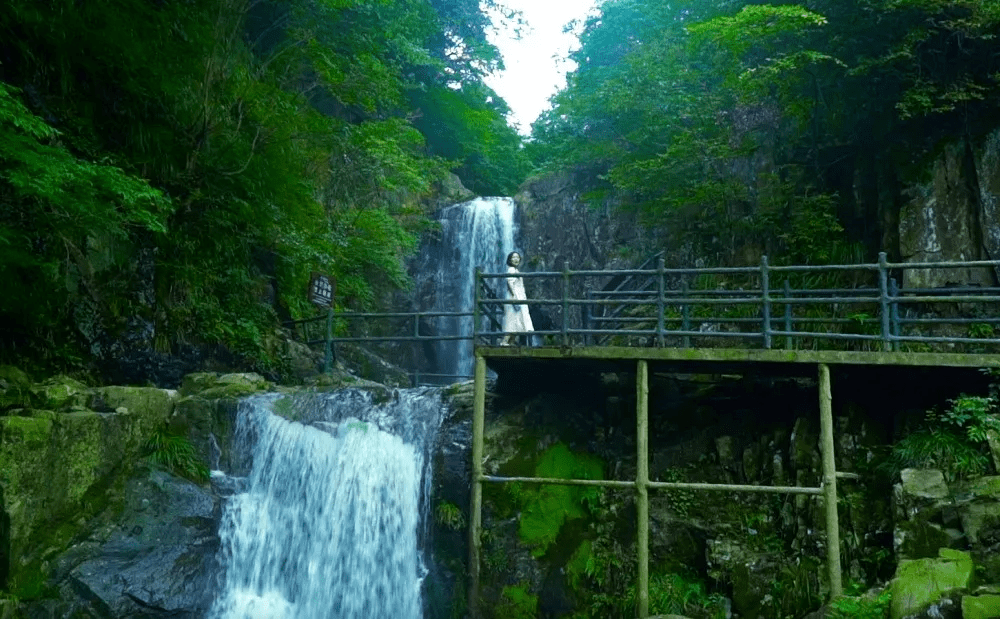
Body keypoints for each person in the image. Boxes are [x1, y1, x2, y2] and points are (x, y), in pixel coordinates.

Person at [501, 251, 534, 346]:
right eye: (513, 257)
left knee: (516, 320)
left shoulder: (514, 270)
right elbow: (510, 283)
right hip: (515, 297)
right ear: (509, 259)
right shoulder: (511, 270)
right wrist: (514, 296)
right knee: (512, 319)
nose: (516, 259)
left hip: (518, 296)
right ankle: (504, 341)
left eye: (517, 257)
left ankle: (510, 342)